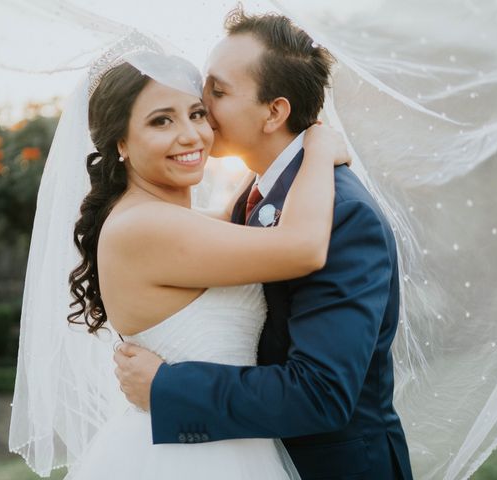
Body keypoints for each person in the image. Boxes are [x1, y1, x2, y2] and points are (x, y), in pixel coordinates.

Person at [113, 8, 414, 480]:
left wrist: (166, 388)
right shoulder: (258, 198)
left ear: (274, 112)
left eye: (217, 91)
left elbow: (321, 394)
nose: (200, 105)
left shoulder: (343, 215)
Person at [55, 36, 351, 477]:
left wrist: (272, 151)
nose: (190, 134)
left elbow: (243, 209)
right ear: (121, 143)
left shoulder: (164, 220)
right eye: (161, 122)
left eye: (197, 113)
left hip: (214, 435)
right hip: (193, 457)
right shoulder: (146, 228)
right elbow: (302, 248)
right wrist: (319, 147)